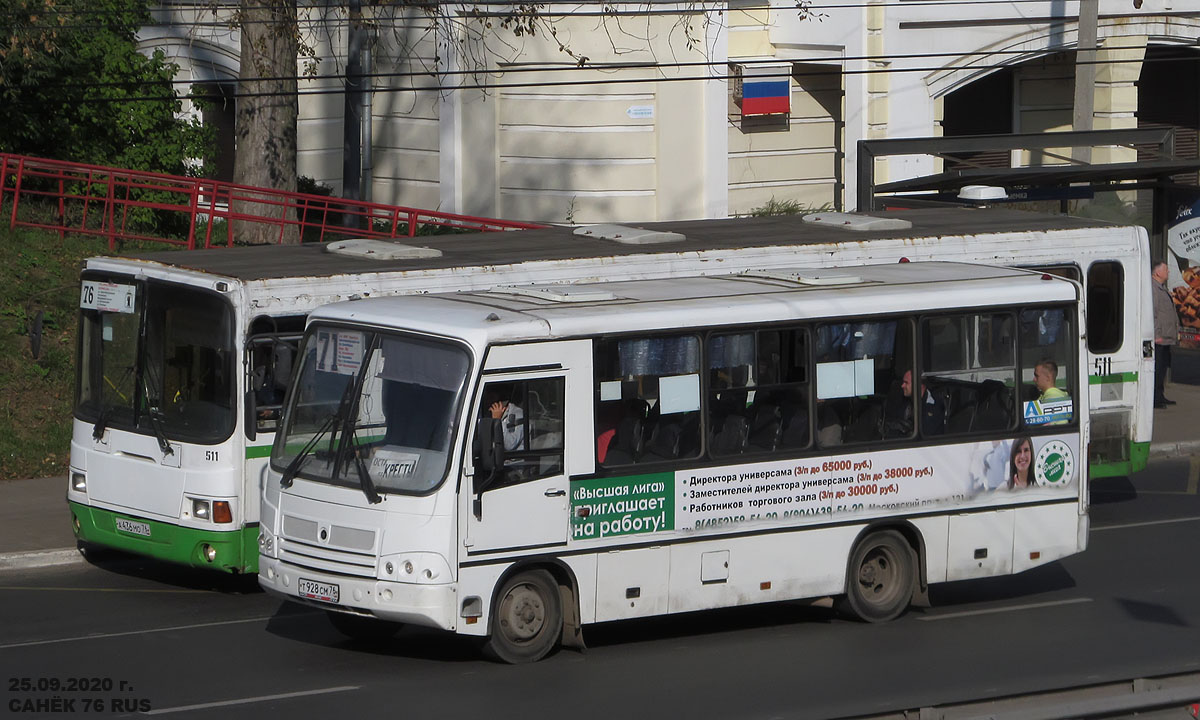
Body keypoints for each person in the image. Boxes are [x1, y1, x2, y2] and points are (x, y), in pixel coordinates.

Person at [882, 370, 945, 437]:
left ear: (918, 385)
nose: (902, 386)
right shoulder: (902, 401)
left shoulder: (933, 407)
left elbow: (924, 435)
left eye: (906, 383)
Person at [1152, 259, 1180, 409]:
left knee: (1163, 368)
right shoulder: (1154, 289)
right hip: (1159, 338)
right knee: (1158, 368)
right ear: (1157, 272)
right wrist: (1156, 335)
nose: (1168, 272)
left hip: (1166, 337)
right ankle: (1155, 398)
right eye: (1166, 269)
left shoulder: (1161, 287)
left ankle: (1160, 395)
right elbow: (1153, 313)